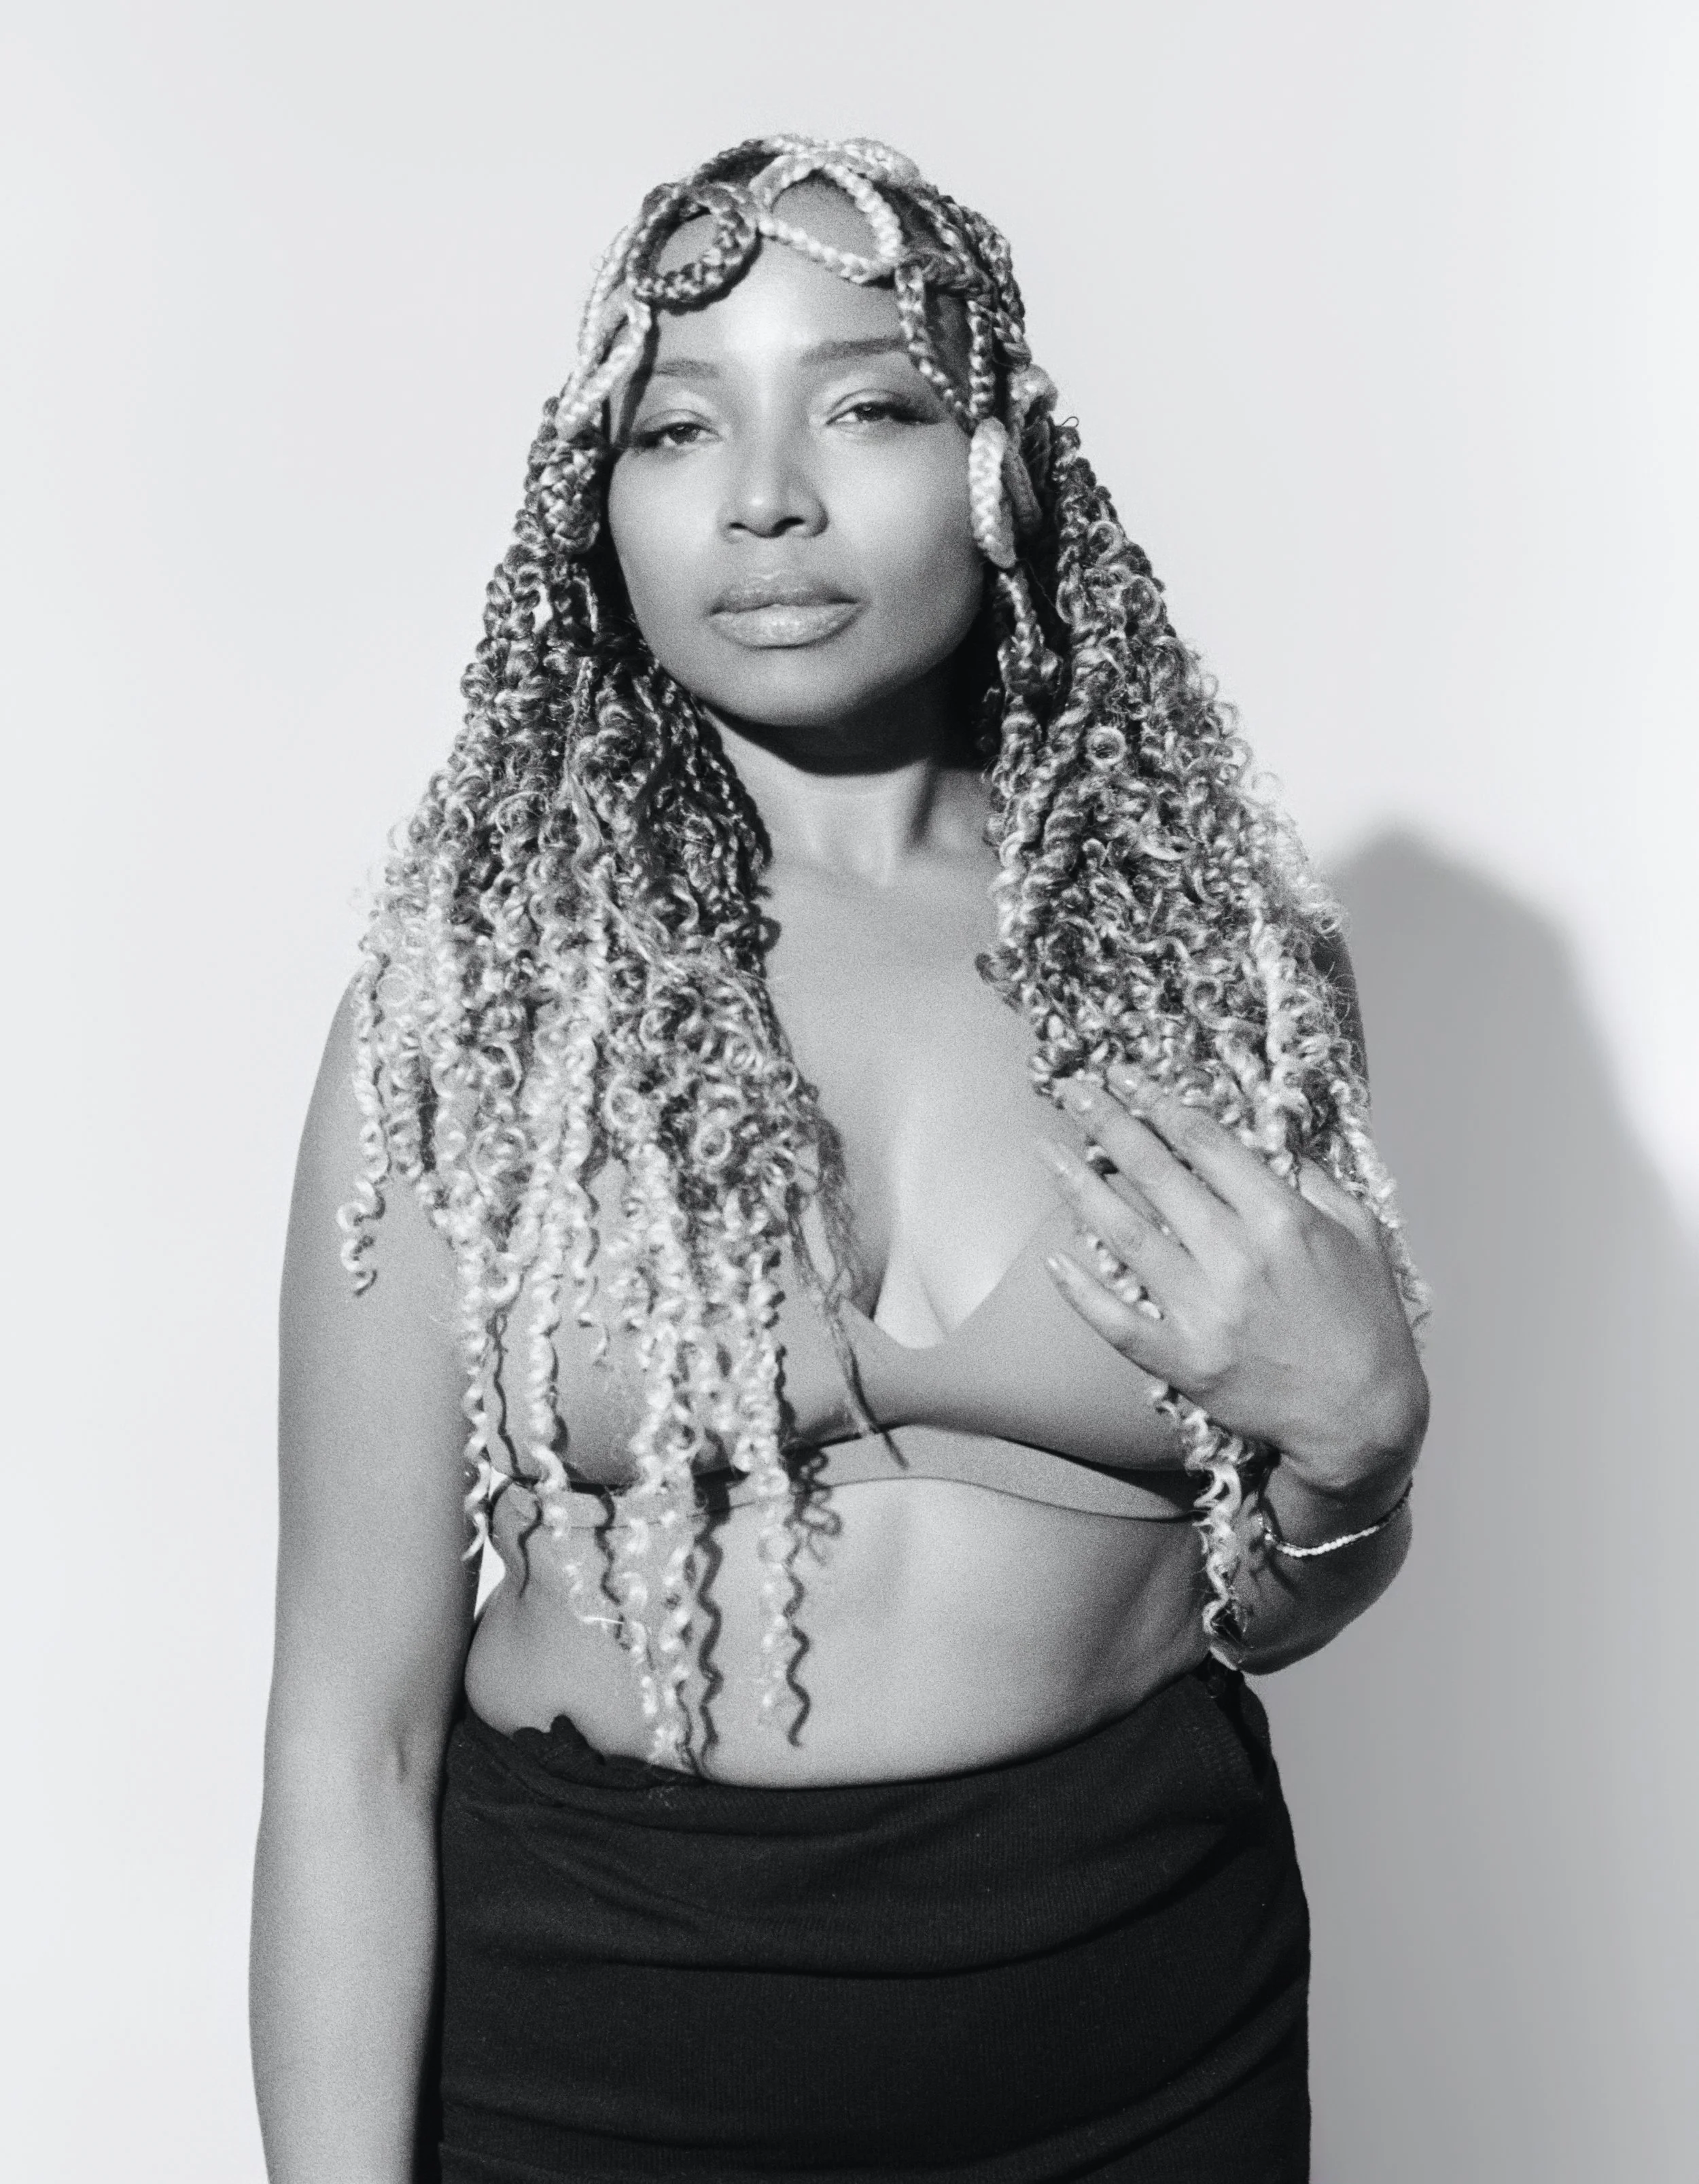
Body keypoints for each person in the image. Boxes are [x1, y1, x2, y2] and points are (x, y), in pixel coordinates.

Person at [251, 135, 1429, 2184]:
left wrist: (1362, 1450)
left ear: (1002, 467)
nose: (765, 494)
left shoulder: (1204, 964)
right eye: (673, 424)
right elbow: (350, 1739)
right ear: (592, 504)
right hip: (590, 2076)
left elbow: (1245, 1604)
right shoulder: (488, 1003)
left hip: (1146, 2049)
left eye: (871, 404)